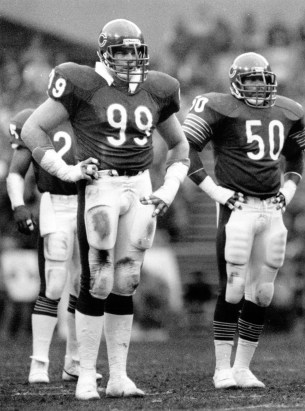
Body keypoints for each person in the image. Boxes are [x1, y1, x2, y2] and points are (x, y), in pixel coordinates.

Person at [20, 19, 189, 400]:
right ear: (104, 53)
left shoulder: (157, 88)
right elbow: (33, 129)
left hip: (140, 184)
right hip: (101, 185)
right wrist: (65, 170)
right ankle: (84, 373)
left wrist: (170, 185)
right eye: (121, 51)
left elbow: (179, 146)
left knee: (127, 279)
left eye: (134, 51)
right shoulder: (81, 83)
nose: (129, 58)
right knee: (97, 279)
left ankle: (119, 376)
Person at [183, 52, 305, 389]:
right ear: (236, 82)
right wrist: (215, 191)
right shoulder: (218, 106)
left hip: (272, 208)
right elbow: (186, 147)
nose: (257, 86)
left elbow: (296, 153)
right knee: (234, 286)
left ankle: (243, 367)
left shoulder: (288, 110)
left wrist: (289, 187)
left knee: (264, 292)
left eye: (262, 79)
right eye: (250, 80)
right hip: (236, 206)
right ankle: (221, 368)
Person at [6, 109, 103, 385]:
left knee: (82, 285)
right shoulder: (34, 119)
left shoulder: (92, 113)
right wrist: (19, 205)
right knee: (53, 282)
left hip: (90, 203)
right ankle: (39, 362)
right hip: (56, 205)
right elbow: (16, 171)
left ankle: (74, 362)